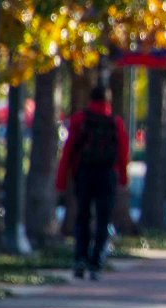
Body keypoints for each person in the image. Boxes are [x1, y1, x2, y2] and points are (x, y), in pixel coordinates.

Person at [55, 85, 129, 281]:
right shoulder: (115, 122)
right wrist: (123, 178)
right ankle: (96, 262)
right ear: (108, 100)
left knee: (83, 217)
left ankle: (80, 257)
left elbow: (69, 150)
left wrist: (62, 179)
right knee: (103, 219)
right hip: (107, 175)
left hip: (84, 173)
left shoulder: (80, 119)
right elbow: (123, 152)